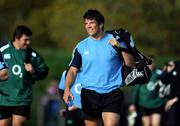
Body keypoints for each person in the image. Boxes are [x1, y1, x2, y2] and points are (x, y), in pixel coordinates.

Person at [63, 9, 135, 126]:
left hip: (112, 93)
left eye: (91, 22)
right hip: (89, 94)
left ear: (101, 24)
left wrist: (121, 47)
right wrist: (67, 89)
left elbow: (130, 64)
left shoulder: (115, 41)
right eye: (86, 23)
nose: (88, 26)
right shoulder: (81, 46)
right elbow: (72, 71)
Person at [0, 25, 49, 126]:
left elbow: (44, 71)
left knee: (18, 124)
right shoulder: (2, 51)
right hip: (3, 99)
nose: (28, 43)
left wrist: (34, 71)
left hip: (22, 99)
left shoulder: (32, 55)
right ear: (17, 38)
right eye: (25, 40)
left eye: (29, 40)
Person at [128, 57, 165, 126]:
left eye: (151, 63)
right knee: (147, 123)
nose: (150, 65)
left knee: (156, 123)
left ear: (154, 63)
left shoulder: (160, 73)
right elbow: (136, 90)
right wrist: (132, 103)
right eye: (148, 63)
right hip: (144, 103)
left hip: (157, 103)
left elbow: (165, 86)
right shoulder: (141, 73)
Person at [159, 60, 180, 126]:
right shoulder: (174, 67)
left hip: (174, 101)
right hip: (172, 102)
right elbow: (163, 80)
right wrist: (166, 71)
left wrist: (174, 99)